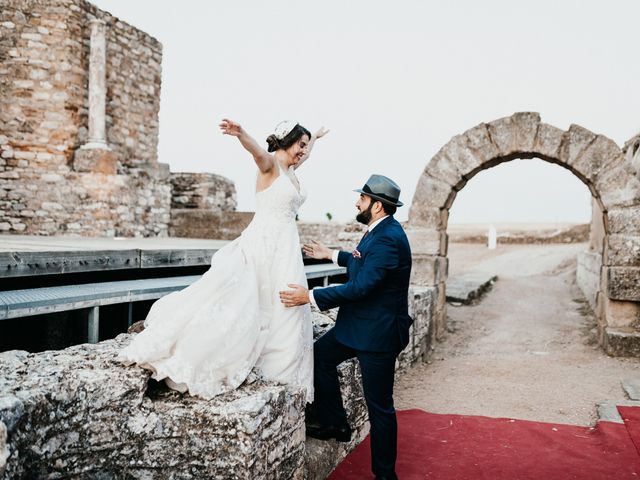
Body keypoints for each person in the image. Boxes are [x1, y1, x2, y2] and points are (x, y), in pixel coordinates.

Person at [118, 119, 328, 403]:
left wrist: (314, 137)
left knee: (286, 310)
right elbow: (257, 153)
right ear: (288, 141)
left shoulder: (291, 169)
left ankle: (283, 376)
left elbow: (306, 152)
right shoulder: (270, 165)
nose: (304, 151)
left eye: (305, 147)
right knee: (251, 302)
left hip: (286, 248)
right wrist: (241, 134)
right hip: (264, 243)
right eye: (300, 145)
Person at [280, 174, 412, 480]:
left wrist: (309, 297)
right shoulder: (378, 231)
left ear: (377, 206)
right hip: (357, 326)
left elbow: (362, 286)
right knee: (319, 357)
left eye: (362, 199)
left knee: (380, 407)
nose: (357, 202)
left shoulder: (390, 239)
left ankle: (384, 474)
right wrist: (332, 254)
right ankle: (334, 422)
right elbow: (360, 260)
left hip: (378, 335)